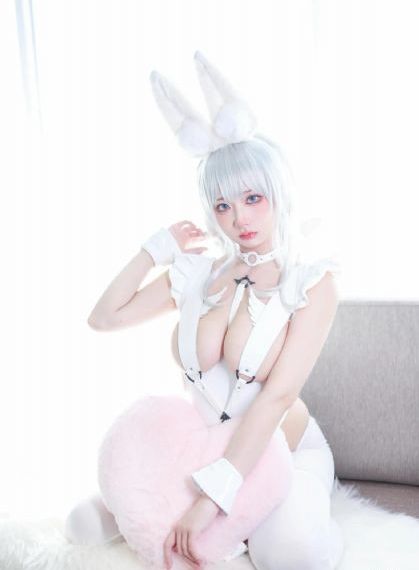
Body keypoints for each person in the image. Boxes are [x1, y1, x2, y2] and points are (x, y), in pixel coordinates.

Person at [65, 52, 345, 569]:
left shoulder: (310, 281)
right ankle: (180, 511)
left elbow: (278, 396)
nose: (239, 218)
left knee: (287, 554)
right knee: (81, 525)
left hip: (282, 450)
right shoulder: (196, 273)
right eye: (222, 205)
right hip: (202, 447)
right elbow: (104, 318)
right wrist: (155, 249)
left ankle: (267, 517)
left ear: (278, 192)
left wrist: (212, 498)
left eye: (253, 198)